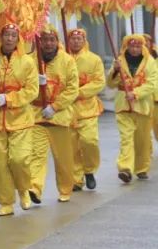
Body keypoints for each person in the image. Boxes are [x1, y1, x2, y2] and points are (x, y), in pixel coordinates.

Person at [0, 22, 38, 217]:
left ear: (18, 39)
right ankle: (5, 202)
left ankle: (24, 189)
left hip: (20, 118)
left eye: (14, 35)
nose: (10, 39)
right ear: (0, 37)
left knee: (19, 159)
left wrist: (9, 98)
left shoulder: (27, 62)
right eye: (7, 35)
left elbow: (32, 90)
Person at [28, 26, 79, 203]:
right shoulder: (30, 60)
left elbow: (73, 89)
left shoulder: (68, 61)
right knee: (37, 154)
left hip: (60, 117)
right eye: (44, 39)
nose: (48, 43)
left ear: (57, 41)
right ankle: (34, 187)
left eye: (52, 39)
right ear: (39, 41)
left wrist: (55, 106)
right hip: (36, 115)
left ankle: (65, 189)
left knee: (63, 158)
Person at [107, 33, 157, 184]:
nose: (134, 49)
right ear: (126, 46)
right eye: (131, 46)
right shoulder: (119, 60)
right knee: (126, 138)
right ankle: (125, 168)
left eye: (137, 46)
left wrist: (136, 93)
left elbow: (152, 84)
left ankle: (141, 168)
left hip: (142, 106)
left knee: (142, 139)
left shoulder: (150, 61)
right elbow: (110, 84)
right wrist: (115, 71)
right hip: (123, 105)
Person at [66, 28, 106, 191]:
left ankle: (89, 170)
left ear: (84, 41)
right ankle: (76, 179)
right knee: (72, 147)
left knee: (89, 141)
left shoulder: (94, 59)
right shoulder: (62, 59)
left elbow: (99, 82)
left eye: (79, 39)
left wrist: (79, 92)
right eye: (73, 38)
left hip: (88, 109)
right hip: (67, 111)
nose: (76, 41)